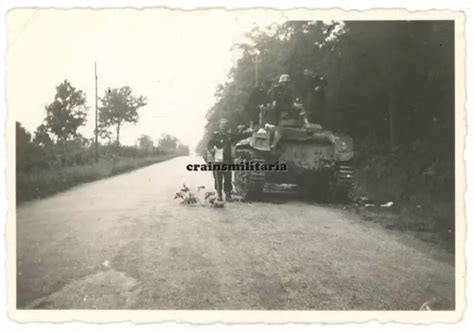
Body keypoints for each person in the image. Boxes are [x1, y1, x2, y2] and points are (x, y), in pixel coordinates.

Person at [207, 118, 253, 202]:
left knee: (228, 177)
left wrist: (251, 133)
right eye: (222, 124)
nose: (223, 126)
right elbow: (209, 144)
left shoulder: (229, 135)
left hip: (227, 160)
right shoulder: (215, 135)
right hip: (217, 160)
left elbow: (240, 136)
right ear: (219, 125)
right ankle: (219, 195)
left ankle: (228, 195)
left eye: (225, 124)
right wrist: (211, 150)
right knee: (218, 178)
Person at [269, 74, 310, 150]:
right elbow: (274, 99)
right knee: (279, 127)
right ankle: (279, 124)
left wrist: (296, 104)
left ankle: (306, 124)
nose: (286, 84)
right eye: (285, 82)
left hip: (288, 106)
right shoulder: (276, 89)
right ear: (281, 82)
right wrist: (274, 102)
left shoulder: (289, 90)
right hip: (279, 107)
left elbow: (291, 100)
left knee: (301, 107)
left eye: (287, 83)